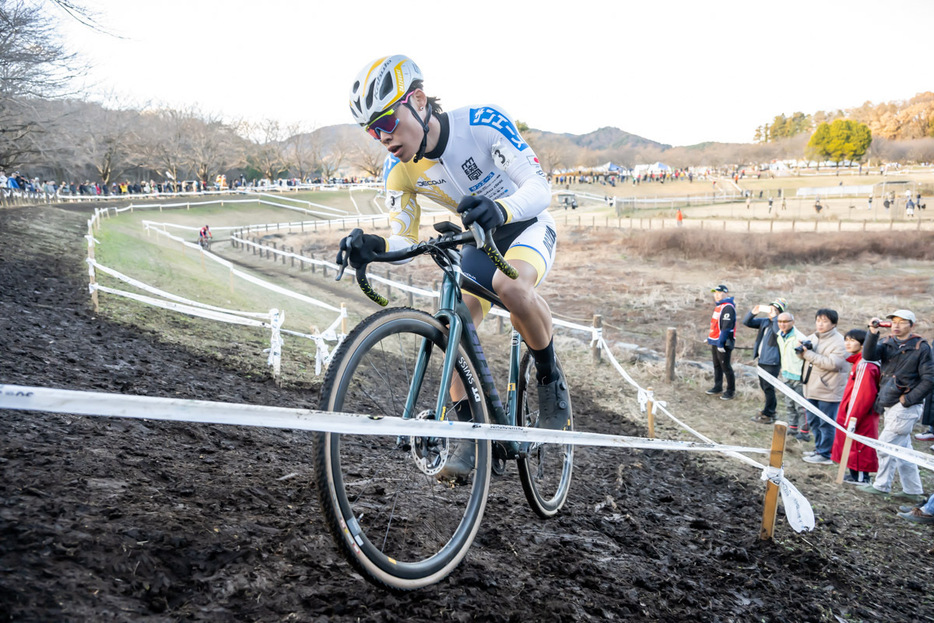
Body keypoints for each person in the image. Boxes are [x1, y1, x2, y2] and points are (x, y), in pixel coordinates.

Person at [339, 55, 566, 471]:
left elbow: (539, 187)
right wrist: (370, 245)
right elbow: (403, 237)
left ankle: (551, 381)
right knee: (451, 330)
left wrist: (501, 208)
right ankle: (470, 439)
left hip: (525, 224)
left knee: (512, 288)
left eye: (386, 123)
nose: (382, 138)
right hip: (477, 240)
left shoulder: (481, 123)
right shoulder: (399, 171)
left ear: (419, 101)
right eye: (372, 131)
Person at [858, 310, 934, 502]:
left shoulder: (921, 347)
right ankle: (913, 490)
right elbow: (868, 355)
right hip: (889, 400)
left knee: (884, 446)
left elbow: (929, 378)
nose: (897, 325)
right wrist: (872, 333)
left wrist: (908, 399)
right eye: (894, 322)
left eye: (902, 322)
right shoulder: (887, 342)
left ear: (912, 325)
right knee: (904, 451)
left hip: (906, 404)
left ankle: (881, 486)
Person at [799, 308, 849, 465]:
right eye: (818, 320)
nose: (820, 324)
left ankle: (826, 454)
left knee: (826, 423)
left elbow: (833, 364)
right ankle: (819, 449)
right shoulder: (813, 337)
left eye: (825, 321)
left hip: (829, 389)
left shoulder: (839, 342)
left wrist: (807, 354)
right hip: (811, 386)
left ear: (834, 324)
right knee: (814, 421)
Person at [829, 329, 880, 484]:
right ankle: (854, 474)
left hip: (858, 414)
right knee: (851, 443)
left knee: (858, 444)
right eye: (846, 340)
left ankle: (860, 477)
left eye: (852, 340)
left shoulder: (865, 365)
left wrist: (852, 417)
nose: (848, 343)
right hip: (852, 411)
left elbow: (862, 395)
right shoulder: (857, 362)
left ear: (864, 343)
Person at [743, 298, 787, 423]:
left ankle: (769, 413)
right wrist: (753, 312)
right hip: (762, 359)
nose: (771, 311)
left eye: (775, 309)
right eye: (770, 308)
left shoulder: (781, 324)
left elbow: (778, 333)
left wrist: (774, 319)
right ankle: (770, 410)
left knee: (768, 387)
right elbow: (747, 322)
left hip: (772, 361)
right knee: (764, 386)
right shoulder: (765, 322)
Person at [776, 311, 811, 439]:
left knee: (801, 406)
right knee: (789, 403)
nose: (782, 324)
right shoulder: (779, 335)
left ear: (793, 322)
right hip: (786, 374)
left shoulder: (800, 338)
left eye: (785, 321)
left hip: (798, 376)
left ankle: (805, 432)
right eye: (780, 321)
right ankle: (793, 427)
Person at [706, 285, 736, 400]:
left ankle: (730, 391)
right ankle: (717, 386)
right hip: (715, 340)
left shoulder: (727, 307)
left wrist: (721, 343)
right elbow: (715, 325)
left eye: (719, 293)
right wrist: (710, 338)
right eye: (715, 293)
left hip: (723, 342)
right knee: (717, 365)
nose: (716, 295)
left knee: (726, 366)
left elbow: (726, 327)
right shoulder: (719, 306)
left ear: (726, 294)